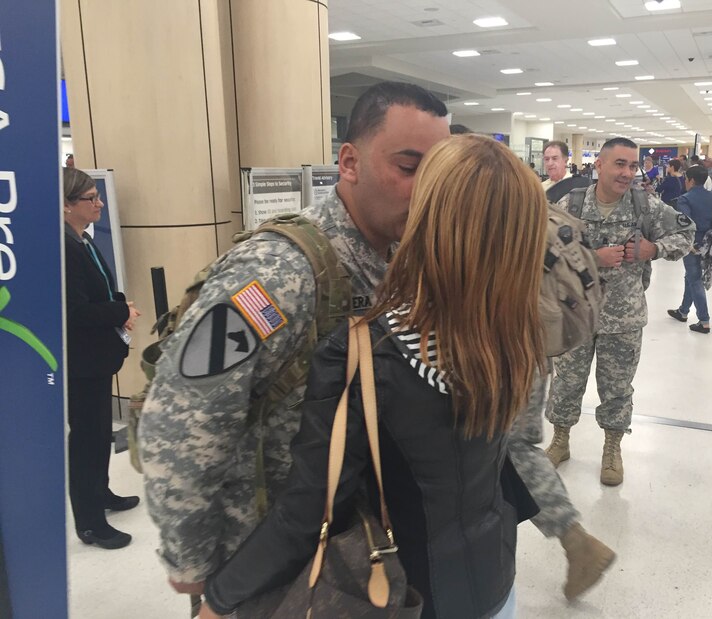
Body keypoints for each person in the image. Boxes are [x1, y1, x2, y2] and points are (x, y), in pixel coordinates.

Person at [140, 81, 612, 602]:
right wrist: (191, 559)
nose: (426, 191)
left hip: (368, 559)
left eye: (436, 174)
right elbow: (182, 420)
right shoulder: (281, 272)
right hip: (270, 559)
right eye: (409, 168)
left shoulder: (413, 255)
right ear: (349, 162)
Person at [199, 134, 548, 619]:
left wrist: (218, 598)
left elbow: (310, 514)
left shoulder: (364, 355)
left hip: (405, 594)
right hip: (495, 579)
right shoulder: (517, 338)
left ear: (429, 218)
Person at [547, 138, 694, 485]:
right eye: (620, 164)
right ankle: (560, 440)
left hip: (623, 317)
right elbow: (543, 248)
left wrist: (653, 248)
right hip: (575, 313)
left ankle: (612, 449)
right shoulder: (571, 202)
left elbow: (688, 233)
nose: (627, 173)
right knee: (566, 382)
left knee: (617, 388)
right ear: (599, 165)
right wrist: (591, 259)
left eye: (633, 165)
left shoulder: (647, 207)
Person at [63, 167, 141, 550]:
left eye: (97, 195)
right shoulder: (62, 248)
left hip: (96, 359)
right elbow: (74, 313)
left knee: (98, 436)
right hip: (81, 364)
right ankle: (90, 522)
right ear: (65, 205)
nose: (100, 203)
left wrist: (118, 306)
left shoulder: (83, 240)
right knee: (86, 439)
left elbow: (100, 292)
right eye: (90, 198)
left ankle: (102, 494)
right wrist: (119, 311)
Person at [667, 165, 712, 334]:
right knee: (691, 275)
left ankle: (704, 321)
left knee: (695, 278)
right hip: (710, 243)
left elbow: (686, 223)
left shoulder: (684, 199)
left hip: (693, 245)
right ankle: (683, 311)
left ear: (691, 180)